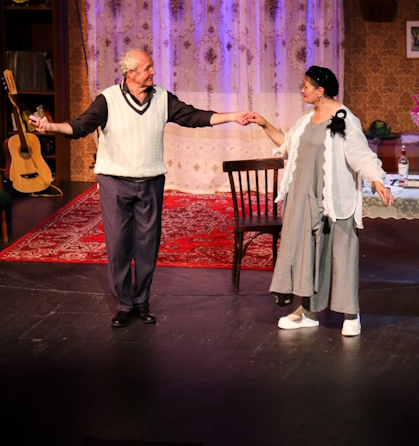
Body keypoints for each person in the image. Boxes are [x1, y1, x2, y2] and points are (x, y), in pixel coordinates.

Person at [29, 48, 252, 328]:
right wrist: (50, 128)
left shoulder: (162, 98)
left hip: (151, 182)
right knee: (119, 246)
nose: (153, 72)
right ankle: (124, 305)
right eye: (148, 68)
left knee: (148, 246)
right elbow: (80, 127)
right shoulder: (108, 100)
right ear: (131, 73)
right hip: (115, 183)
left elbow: (193, 117)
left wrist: (232, 116)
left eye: (152, 67)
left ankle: (142, 301)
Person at [248, 65, 393, 337]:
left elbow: (360, 154)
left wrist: (376, 180)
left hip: (333, 197)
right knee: (307, 254)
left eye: (306, 85)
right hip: (303, 197)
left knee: (341, 252)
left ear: (320, 90)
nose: (301, 89)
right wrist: (264, 123)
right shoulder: (306, 120)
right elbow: (288, 146)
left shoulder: (344, 119)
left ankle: (351, 314)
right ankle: (307, 311)